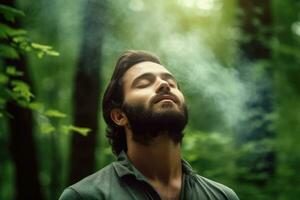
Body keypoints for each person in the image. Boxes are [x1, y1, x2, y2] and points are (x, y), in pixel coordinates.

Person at [59, 50, 239, 200]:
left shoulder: (223, 196)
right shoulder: (85, 196)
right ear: (120, 116)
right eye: (144, 84)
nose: (163, 85)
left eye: (171, 82)